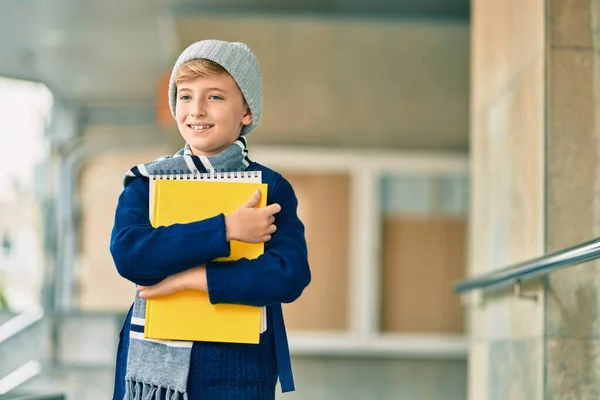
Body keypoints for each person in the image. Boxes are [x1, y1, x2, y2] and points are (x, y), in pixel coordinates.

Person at [109, 39, 311, 400]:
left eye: (215, 97)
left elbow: (288, 275)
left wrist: (193, 279)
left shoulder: (270, 188)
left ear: (246, 112)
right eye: (185, 96)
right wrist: (227, 229)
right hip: (153, 376)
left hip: (238, 367)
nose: (196, 110)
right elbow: (131, 256)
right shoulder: (147, 182)